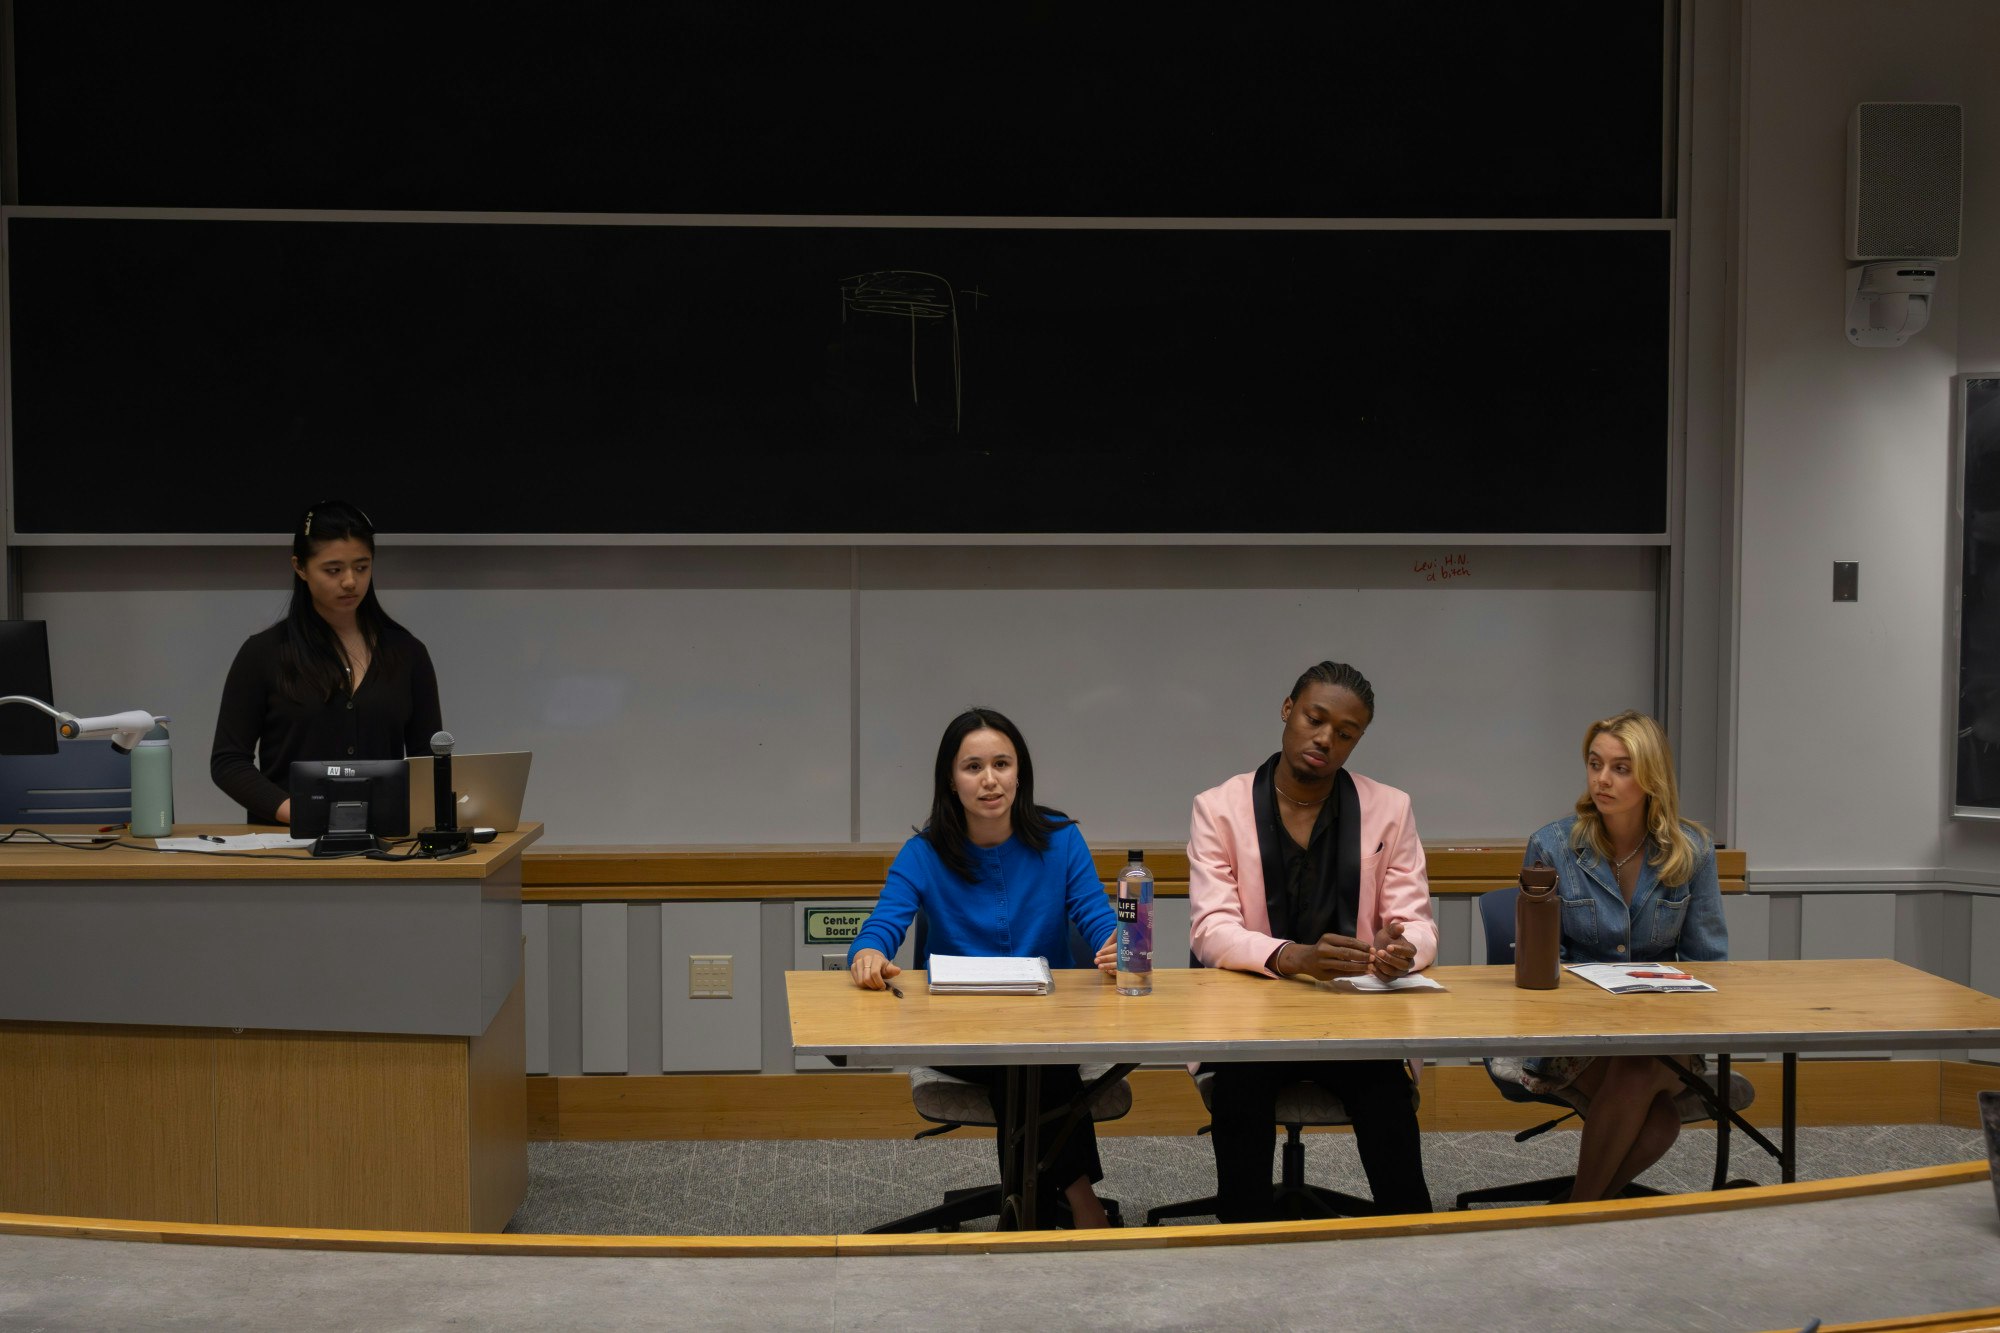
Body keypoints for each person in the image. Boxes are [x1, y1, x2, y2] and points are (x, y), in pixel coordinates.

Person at [847, 707, 1120, 1228]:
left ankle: (1032, 1216)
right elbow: (881, 925)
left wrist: (1118, 947)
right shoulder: (923, 852)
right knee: (1028, 1068)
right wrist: (868, 954)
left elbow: (1099, 919)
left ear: (1020, 773)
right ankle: (1079, 1205)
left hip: (1049, 1031)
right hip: (961, 1036)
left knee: (1033, 1061)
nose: (990, 780)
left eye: (1002, 764)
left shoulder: (1061, 840)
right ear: (951, 780)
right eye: (973, 767)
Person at [1187, 660, 1436, 1220]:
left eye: (1345, 733)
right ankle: (1243, 1237)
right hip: (1252, 1020)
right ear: (1287, 710)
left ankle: (1414, 1236)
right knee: (1240, 1094)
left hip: (1353, 1016)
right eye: (1314, 719)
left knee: (1387, 1096)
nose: (1325, 739)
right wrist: (1292, 956)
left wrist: (1403, 952)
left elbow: (1417, 922)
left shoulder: (1390, 809)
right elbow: (1211, 928)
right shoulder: (1218, 808)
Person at [1508, 709, 1727, 1203]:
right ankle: (1581, 1213)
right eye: (1595, 764)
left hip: (1665, 1032)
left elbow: (1709, 961)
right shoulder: (1553, 846)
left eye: (1621, 768)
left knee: (1639, 1063)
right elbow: (1540, 964)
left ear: (1651, 776)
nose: (1602, 780)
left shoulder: (1691, 849)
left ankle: (1572, 1215)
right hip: (1581, 1032)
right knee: (1660, 1117)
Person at [210, 500, 442, 825]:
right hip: (287, 841)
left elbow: (428, 760)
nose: (350, 581)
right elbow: (229, 762)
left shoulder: (407, 652)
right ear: (300, 567)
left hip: (383, 839)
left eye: (362, 567)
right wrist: (295, 810)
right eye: (333, 570)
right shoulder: (263, 653)